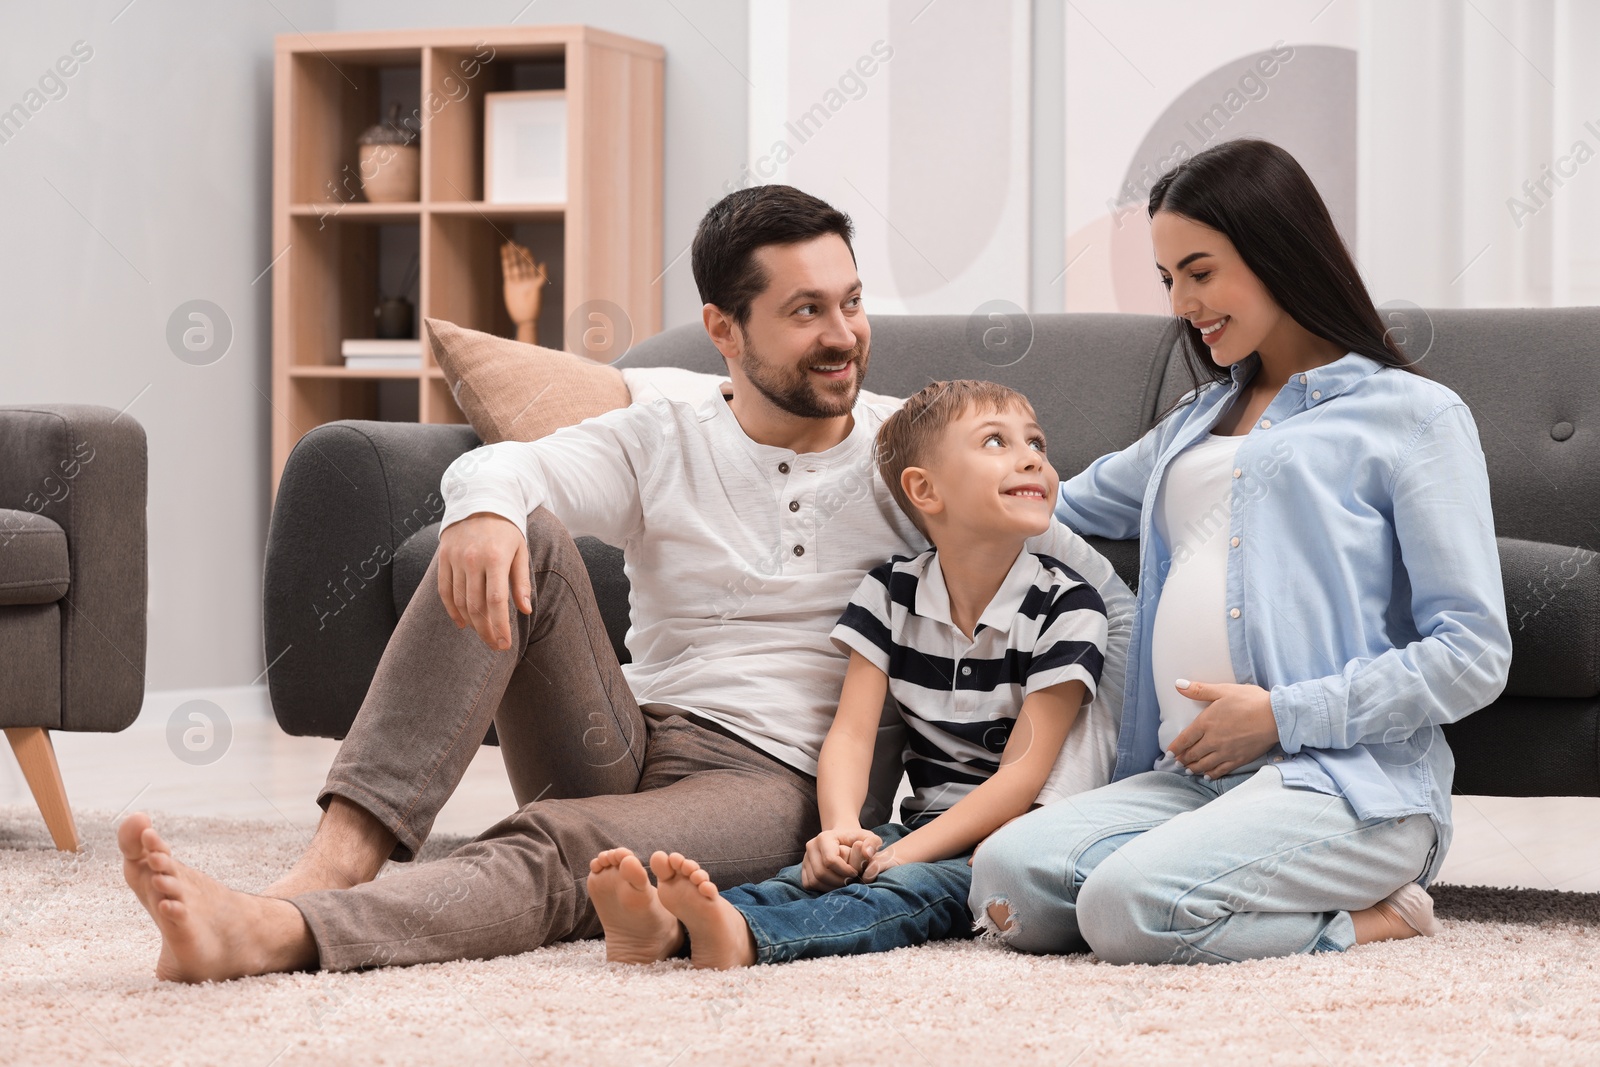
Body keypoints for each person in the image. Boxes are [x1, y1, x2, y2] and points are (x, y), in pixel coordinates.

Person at [117, 184, 1136, 982]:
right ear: (724, 328)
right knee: (509, 526)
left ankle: (281, 930)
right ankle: (333, 861)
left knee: (560, 842)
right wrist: (481, 508)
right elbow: (513, 467)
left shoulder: (906, 449)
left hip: (782, 779)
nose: (843, 334)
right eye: (806, 311)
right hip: (632, 733)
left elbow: (1059, 546)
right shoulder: (667, 429)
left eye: (853, 302)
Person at [967, 138, 1510, 966]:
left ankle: (1376, 915)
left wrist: (1280, 714)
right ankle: (1205, 875)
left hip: (1349, 783)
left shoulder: (1414, 417)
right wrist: (893, 437)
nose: (1182, 301)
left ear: (1276, 252)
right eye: (1168, 279)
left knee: (1124, 910)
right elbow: (1051, 507)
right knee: (1006, 884)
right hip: (1192, 780)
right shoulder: (1194, 419)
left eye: (1200, 270)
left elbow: (1473, 654)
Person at [587, 380, 1117, 968]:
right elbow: (852, 732)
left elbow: (1022, 777)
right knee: (809, 875)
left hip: (1012, 842)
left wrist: (906, 853)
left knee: (902, 892)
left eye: (1036, 442)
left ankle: (745, 937)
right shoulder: (890, 592)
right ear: (924, 489)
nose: (1032, 458)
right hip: (928, 823)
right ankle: (669, 928)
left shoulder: (1069, 608)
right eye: (996, 441)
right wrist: (838, 830)